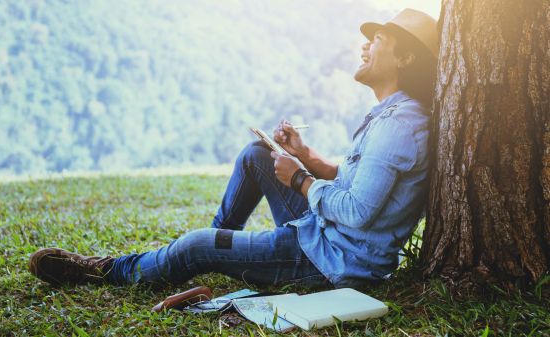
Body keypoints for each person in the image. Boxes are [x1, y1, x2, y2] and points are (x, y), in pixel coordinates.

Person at [28, 9, 439, 289]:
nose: (365, 46)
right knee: (257, 156)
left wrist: (298, 178)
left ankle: (110, 271)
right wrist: (310, 159)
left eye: (377, 39)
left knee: (197, 246)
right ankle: (218, 243)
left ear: (404, 56)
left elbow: (358, 212)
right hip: (327, 234)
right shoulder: (392, 114)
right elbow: (361, 184)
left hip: (334, 260)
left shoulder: (399, 125)